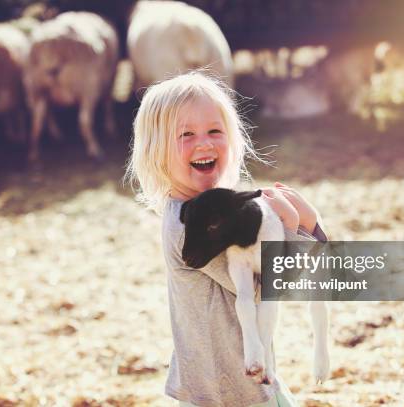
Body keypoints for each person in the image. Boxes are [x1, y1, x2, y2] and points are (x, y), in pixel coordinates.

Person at [124, 71, 328, 406]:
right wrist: (300, 226)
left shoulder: (212, 212)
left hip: (237, 381)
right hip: (227, 391)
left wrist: (310, 231)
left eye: (214, 131)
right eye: (186, 134)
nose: (204, 142)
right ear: (155, 150)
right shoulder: (191, 226)